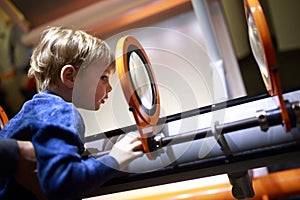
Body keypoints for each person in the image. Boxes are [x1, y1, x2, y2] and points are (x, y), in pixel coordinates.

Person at [0, 26, 144, 199]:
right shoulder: (59, 111)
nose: (110, 87)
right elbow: (61, 182)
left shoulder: (32, 110)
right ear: (70, 76)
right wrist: (115, 159)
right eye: (103, 77)